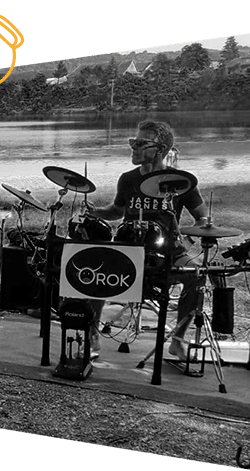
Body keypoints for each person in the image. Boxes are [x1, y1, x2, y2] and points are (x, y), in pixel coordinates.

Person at [86, 120, 207, 361]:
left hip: (168, 250)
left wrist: (189, 241)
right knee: (92, 270)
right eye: (133, 142)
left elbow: (203, 218)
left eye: (141, 143)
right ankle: (91, 335)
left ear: (160, 149)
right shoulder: (128, 179)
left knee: (196, 277)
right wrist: (97, 212)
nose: (134, 147)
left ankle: (178, 341)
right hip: (129, 246)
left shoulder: (181, 181)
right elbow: (117, 211)